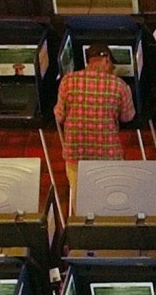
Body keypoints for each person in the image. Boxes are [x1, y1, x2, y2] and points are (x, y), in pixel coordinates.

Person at [54, 43, 136, 200]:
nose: (112, 68)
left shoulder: (67, 81)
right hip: (108, 157)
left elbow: (59, 116)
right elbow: (128, 116)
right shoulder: (118, 85)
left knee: (80, 202)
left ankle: (79, 222)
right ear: (105, 60)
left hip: (75, 155)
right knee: (110, 200)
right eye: (112, 64)